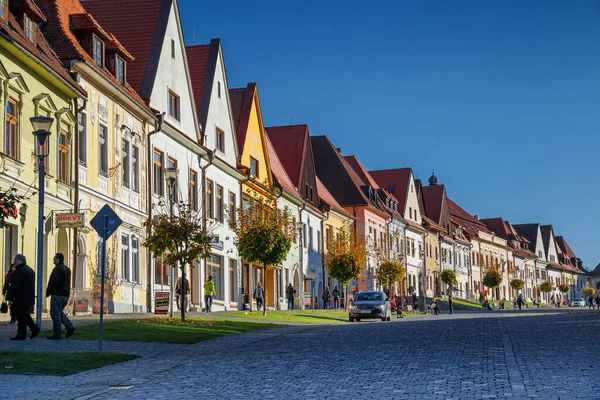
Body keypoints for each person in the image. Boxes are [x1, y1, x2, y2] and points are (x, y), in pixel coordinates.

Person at [6, 254, 40, 340]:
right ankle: (33, 329)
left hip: (20, 297)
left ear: (20, 260)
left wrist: (11, 297)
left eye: (15, 260)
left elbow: (16, 285)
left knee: (21, 316)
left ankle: (22, 334)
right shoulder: (30, 270)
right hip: (28, 297)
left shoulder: (19, 271)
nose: (14, 261)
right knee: (24, 315)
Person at [45, 253, 75, 340]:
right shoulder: (67, 269)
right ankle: (69, 326)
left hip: (57, 294)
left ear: (58, 259)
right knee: (58, 312)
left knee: (55, 314)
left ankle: (57, 334)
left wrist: (48, 292)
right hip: (65, 294)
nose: (53, 260)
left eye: (54, 258)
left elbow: (53, 282)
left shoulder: (57, 269)